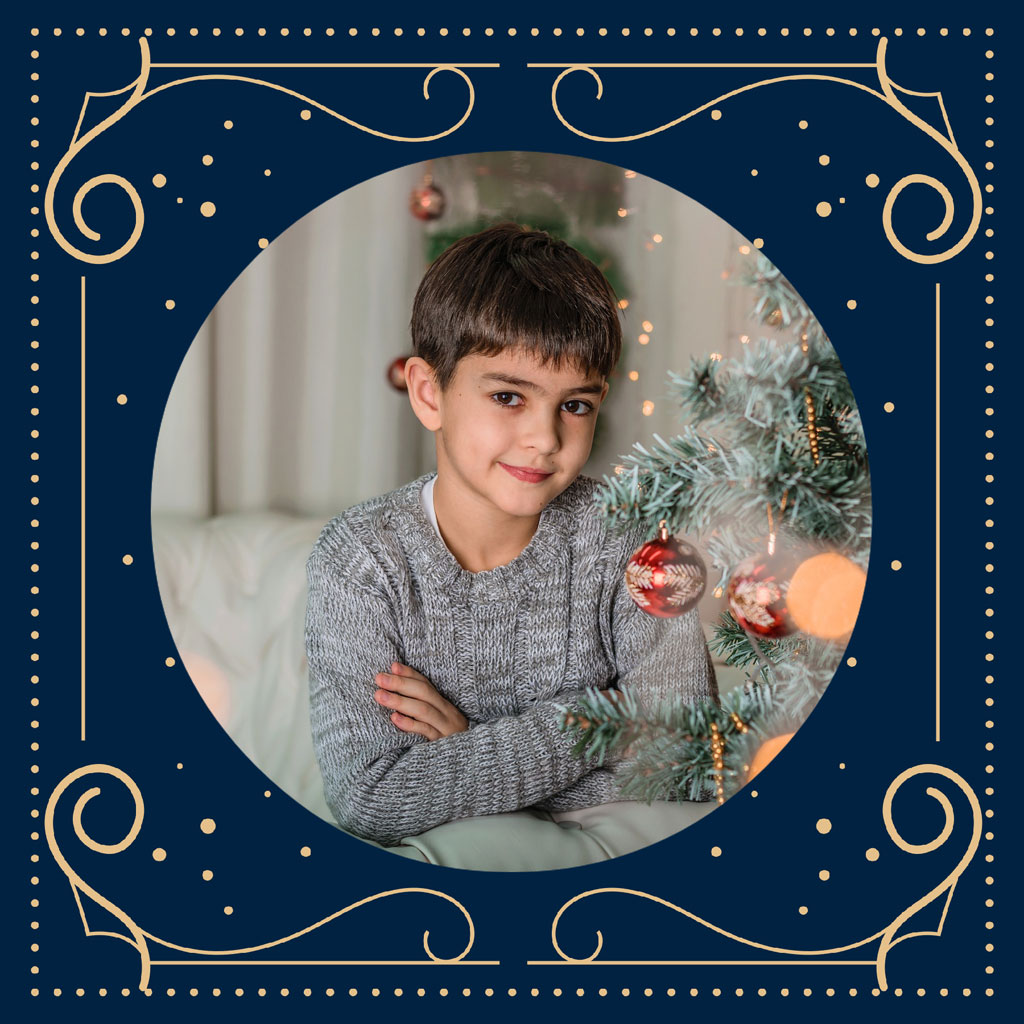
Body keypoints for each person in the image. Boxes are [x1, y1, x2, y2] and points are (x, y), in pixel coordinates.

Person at [305, 222, 718, 848]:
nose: (546, 438)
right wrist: (599, 720)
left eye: (575, 405)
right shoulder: (360, 561)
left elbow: (684, 770)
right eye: (507, 396)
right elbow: (371, 800)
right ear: (428, 393)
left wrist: (467, 744)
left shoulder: (633, 540)